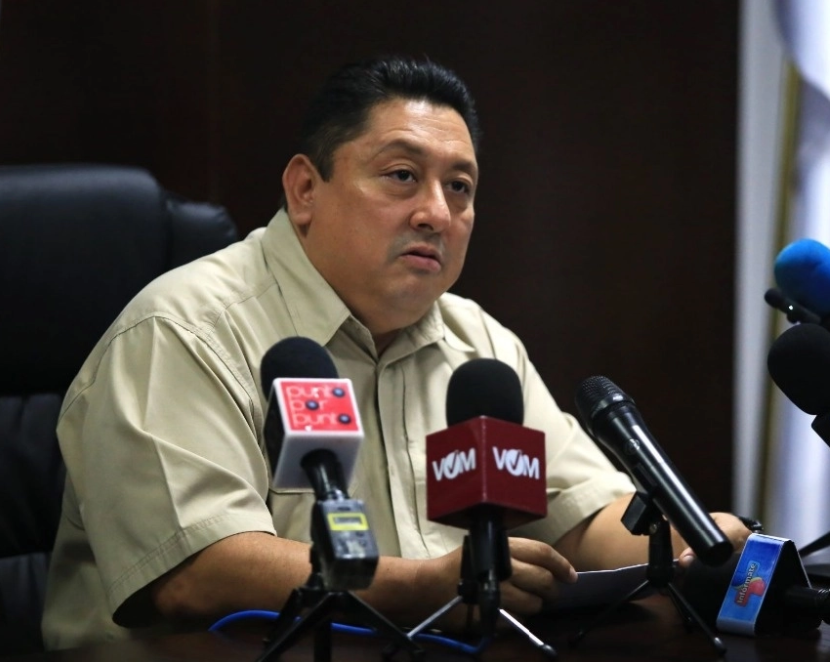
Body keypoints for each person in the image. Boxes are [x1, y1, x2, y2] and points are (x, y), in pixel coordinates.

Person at [41, 55, 750, 650]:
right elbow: (198, 573)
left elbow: (581, 516)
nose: (436, 213)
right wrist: (422, 589)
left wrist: (693, 547)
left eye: (459, 188)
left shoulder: (478, 346)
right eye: (402, 175)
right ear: (305, 189)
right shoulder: (184, 329)